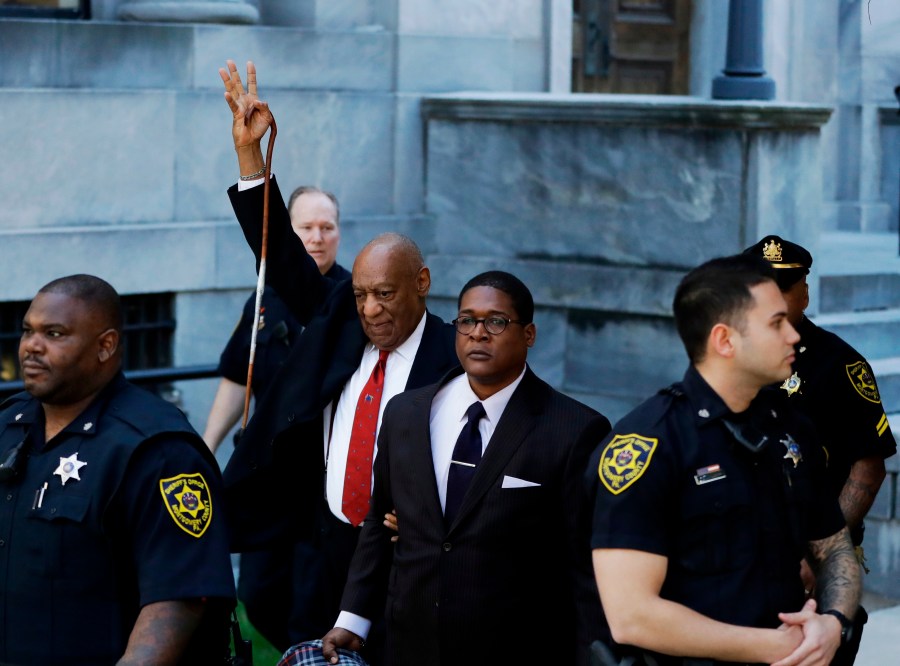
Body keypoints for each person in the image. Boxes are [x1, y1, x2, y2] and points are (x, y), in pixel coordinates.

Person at [219, 59, 459, 660]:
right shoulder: (338, 317)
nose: (373, 310)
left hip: (407, 551)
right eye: (362, 295)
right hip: (324, 535)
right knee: (306, 644)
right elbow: (281, 258)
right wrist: (252, 161)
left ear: (422, 284)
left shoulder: (454, 355)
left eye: (387, 295)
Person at [321, 271, 612, 666]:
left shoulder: (575, 430)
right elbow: (377, 522)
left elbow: (583, 566)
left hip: (519, 649)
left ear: (529, 334)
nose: (478, 333)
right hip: (410, 643)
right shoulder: (406, 413)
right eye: (467, 321)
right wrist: (353, 618)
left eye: (495, 321)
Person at [588, 255, 861, 666]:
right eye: (776, 323)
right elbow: (632, 616)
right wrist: (773, 647)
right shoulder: (647, 445)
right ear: (725, 340)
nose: (793, 336)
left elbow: (834, 547)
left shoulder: (789, 426)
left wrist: (833, 623)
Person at [0, 274, 235, 665]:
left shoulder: (158, 449)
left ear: (105, 346)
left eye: (54, 334)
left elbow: (178, 599)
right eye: (28, 331)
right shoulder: (9, 425)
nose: (31, 347)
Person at [203, 185, 350, 651]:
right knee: (257, 594)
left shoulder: (353, 301)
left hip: (321, 480)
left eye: (327, 227)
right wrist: (205, 451)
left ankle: (305, 655)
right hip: (269, 475)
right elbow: (236, 378)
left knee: (311, 602)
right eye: (306, 226)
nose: (318, 236)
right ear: (290, 231)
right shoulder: (264, 299)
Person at [744, 234, 896, 664]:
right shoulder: (733, 354)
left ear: (804, 293)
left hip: (815, 553)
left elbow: (868, 469)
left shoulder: (839, 365)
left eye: (781, 287)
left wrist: (821, 554)